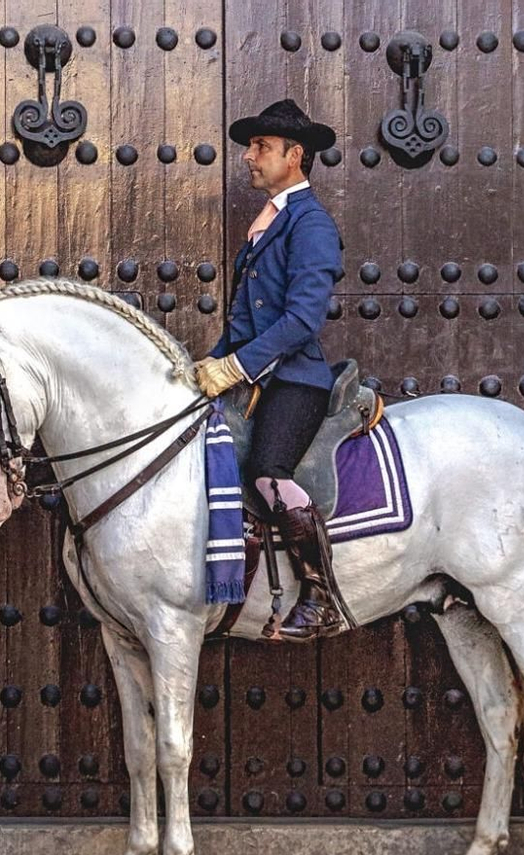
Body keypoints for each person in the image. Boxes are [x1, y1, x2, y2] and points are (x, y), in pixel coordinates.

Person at [192, 99, 346, 641]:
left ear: (294, 155)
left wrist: (236, 366)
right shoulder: (272, 219)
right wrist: (212, 363)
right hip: (253, 376)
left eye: (261, 147)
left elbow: (302, 320)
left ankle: (322, 597)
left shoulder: (311, 223)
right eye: (251, 146)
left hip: (296, 380)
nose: (249, 156)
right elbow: (245, 318)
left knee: (267, 472)